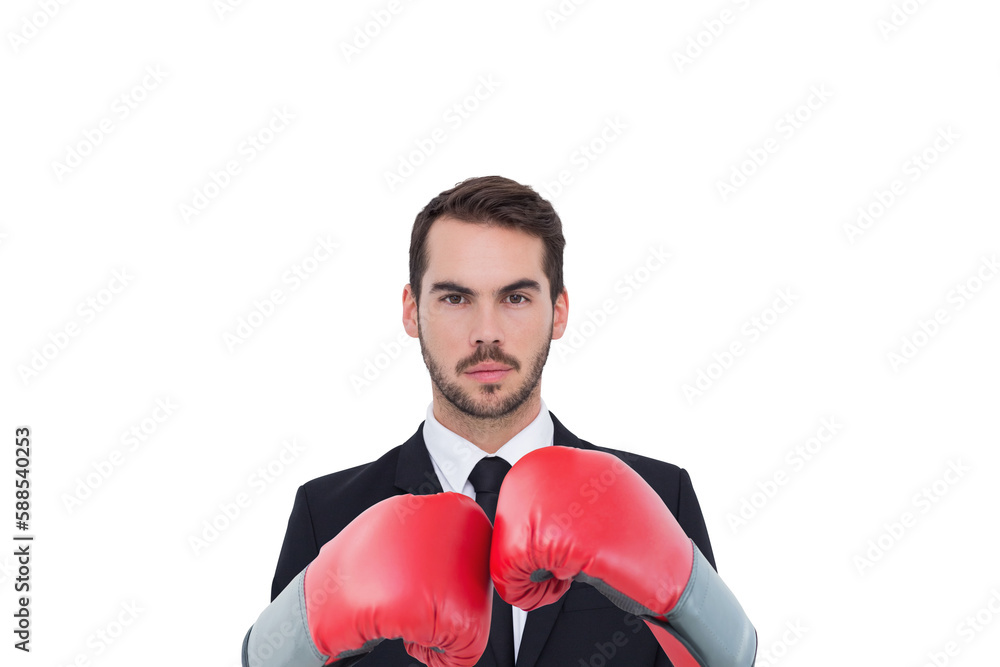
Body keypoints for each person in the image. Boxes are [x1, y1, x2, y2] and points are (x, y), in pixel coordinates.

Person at [241, 176, 755, 667]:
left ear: (558, 312)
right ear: (411, 311)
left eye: (515, 298)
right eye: (455, 298)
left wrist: (716, 633)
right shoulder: (329, 514)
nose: (486, 333)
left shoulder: (660, 496)